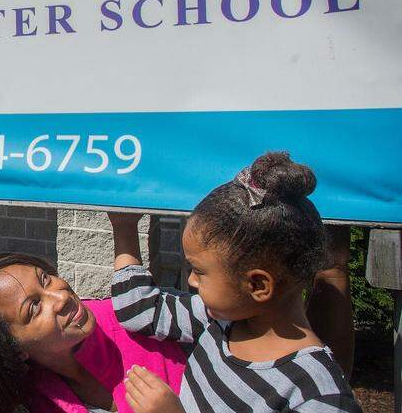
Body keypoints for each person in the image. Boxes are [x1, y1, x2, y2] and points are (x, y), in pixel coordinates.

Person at [0, 197, 354, 413]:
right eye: (33, 309)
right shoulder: (25, 391)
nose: (62, 296)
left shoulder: (138, 320)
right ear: (14, 349)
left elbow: (302, 355)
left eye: (48, 279)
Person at [109, 152, 361, 413]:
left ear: (258, 286)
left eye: (199, 271)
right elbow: (138, 308)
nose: (192, 281)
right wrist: (124, 227)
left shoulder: (317, 397)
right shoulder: (220, 321)